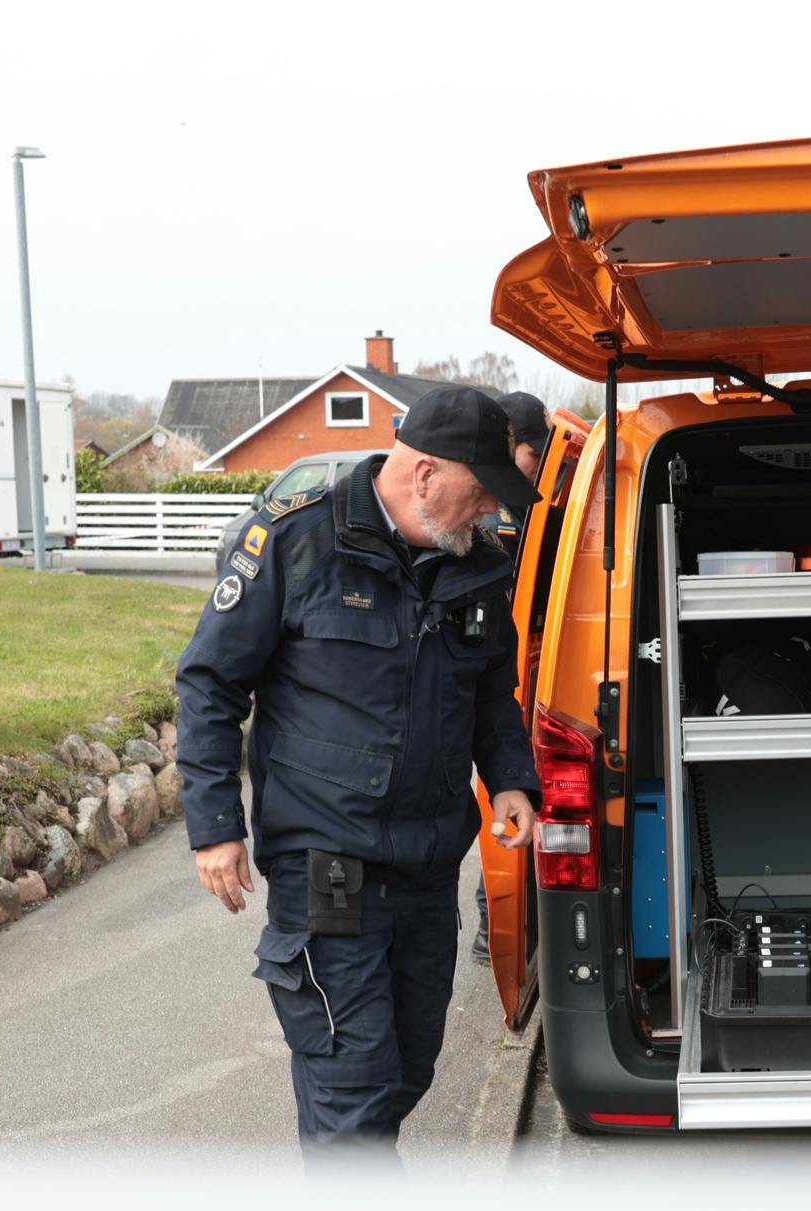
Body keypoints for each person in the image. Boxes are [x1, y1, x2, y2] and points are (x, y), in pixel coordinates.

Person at [176, 385, 542, 1152]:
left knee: (406, 1071)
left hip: (428, 871)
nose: (486, 513)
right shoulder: (295, 541)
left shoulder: (479, 564)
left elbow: (491, 693)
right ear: (426, 475)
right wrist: (216, 826)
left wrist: (510, 778)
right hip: (327, 871)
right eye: (479, 494)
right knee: (354, 1089)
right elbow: (211, 683)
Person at [467, 388, 552, 966]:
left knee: (514, 793)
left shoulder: (527, 509)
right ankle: (490, 918)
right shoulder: (492, 520)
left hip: (523, 666)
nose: (537, 465)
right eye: (532, 453)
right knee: (497, 798)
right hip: (503, 672)